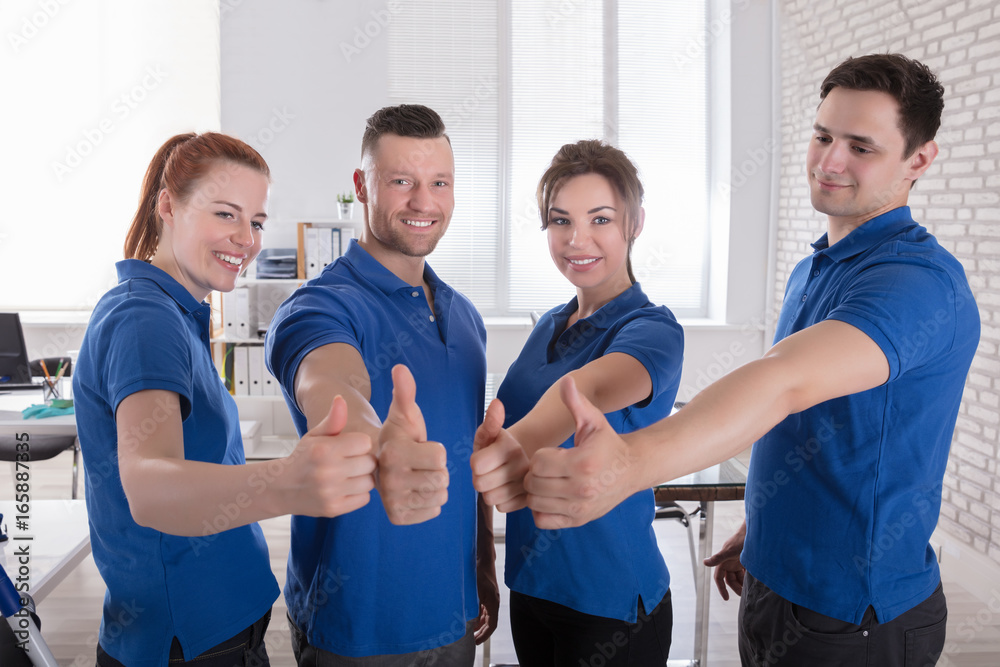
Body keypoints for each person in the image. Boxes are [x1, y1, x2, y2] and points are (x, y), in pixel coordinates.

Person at [515, 54, 981, 666]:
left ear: (918, 160)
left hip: (852, 613)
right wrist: (761, 528)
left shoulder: (915, 282)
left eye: (860, 147)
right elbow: (801, 422)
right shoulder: (814, 269)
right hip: (773, 582)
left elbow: (782, 383)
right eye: (823, 136)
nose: (829, 161)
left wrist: (628, 464)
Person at [73, 132, 378, 667]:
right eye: (225, 214)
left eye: (256, 222)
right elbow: (148, 485)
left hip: (215, 630)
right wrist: (289, 482)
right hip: (190, 641)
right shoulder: (144, 318)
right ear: (168, 206)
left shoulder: (175, 312)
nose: (246, 239)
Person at [265, 104, 498, 665]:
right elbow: (332, 386)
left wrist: (483, 563)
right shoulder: (319, 308)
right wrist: (374, 439)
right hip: (355, 629)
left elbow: (467, 455)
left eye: (439, 182)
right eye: (401, 182)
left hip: (452, 615)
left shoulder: (464, 316)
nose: (424, 202)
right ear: (361, 186)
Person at [471, 140, 682, 665]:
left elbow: (586, 390)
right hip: (533, 587)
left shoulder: (653, 330)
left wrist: (516, 445)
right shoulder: (549, 323)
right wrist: (484, 560)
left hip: (609, 603)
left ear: (634, 223)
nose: (576, 239)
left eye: (600, 219)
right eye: (560, 220)